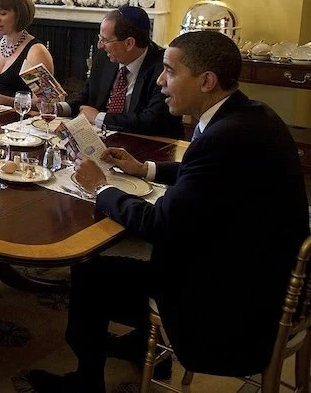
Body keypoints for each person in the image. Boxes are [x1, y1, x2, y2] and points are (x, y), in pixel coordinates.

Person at [27, 31, 308, 393]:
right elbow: (200, 174)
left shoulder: (225, 138)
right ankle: (139, 342)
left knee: (91, 272)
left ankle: (87, 382)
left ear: (206, 81)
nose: (160, 80)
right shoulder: (248, 116)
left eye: (170, 71)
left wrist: (100, 187)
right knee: (126, 257)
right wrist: (144, 169)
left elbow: (158, 224)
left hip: (232, 300)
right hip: (264, 269)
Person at [59, 6, 183, 138]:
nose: (99, 45)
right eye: (100, 38)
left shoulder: (164, 68)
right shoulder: (104, 57)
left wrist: (99, 117)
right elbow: (87, 95)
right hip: (102, 139)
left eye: (105, 40)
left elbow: (152, 121)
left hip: (149, 146)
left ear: (129, 43)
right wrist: (59, 108)